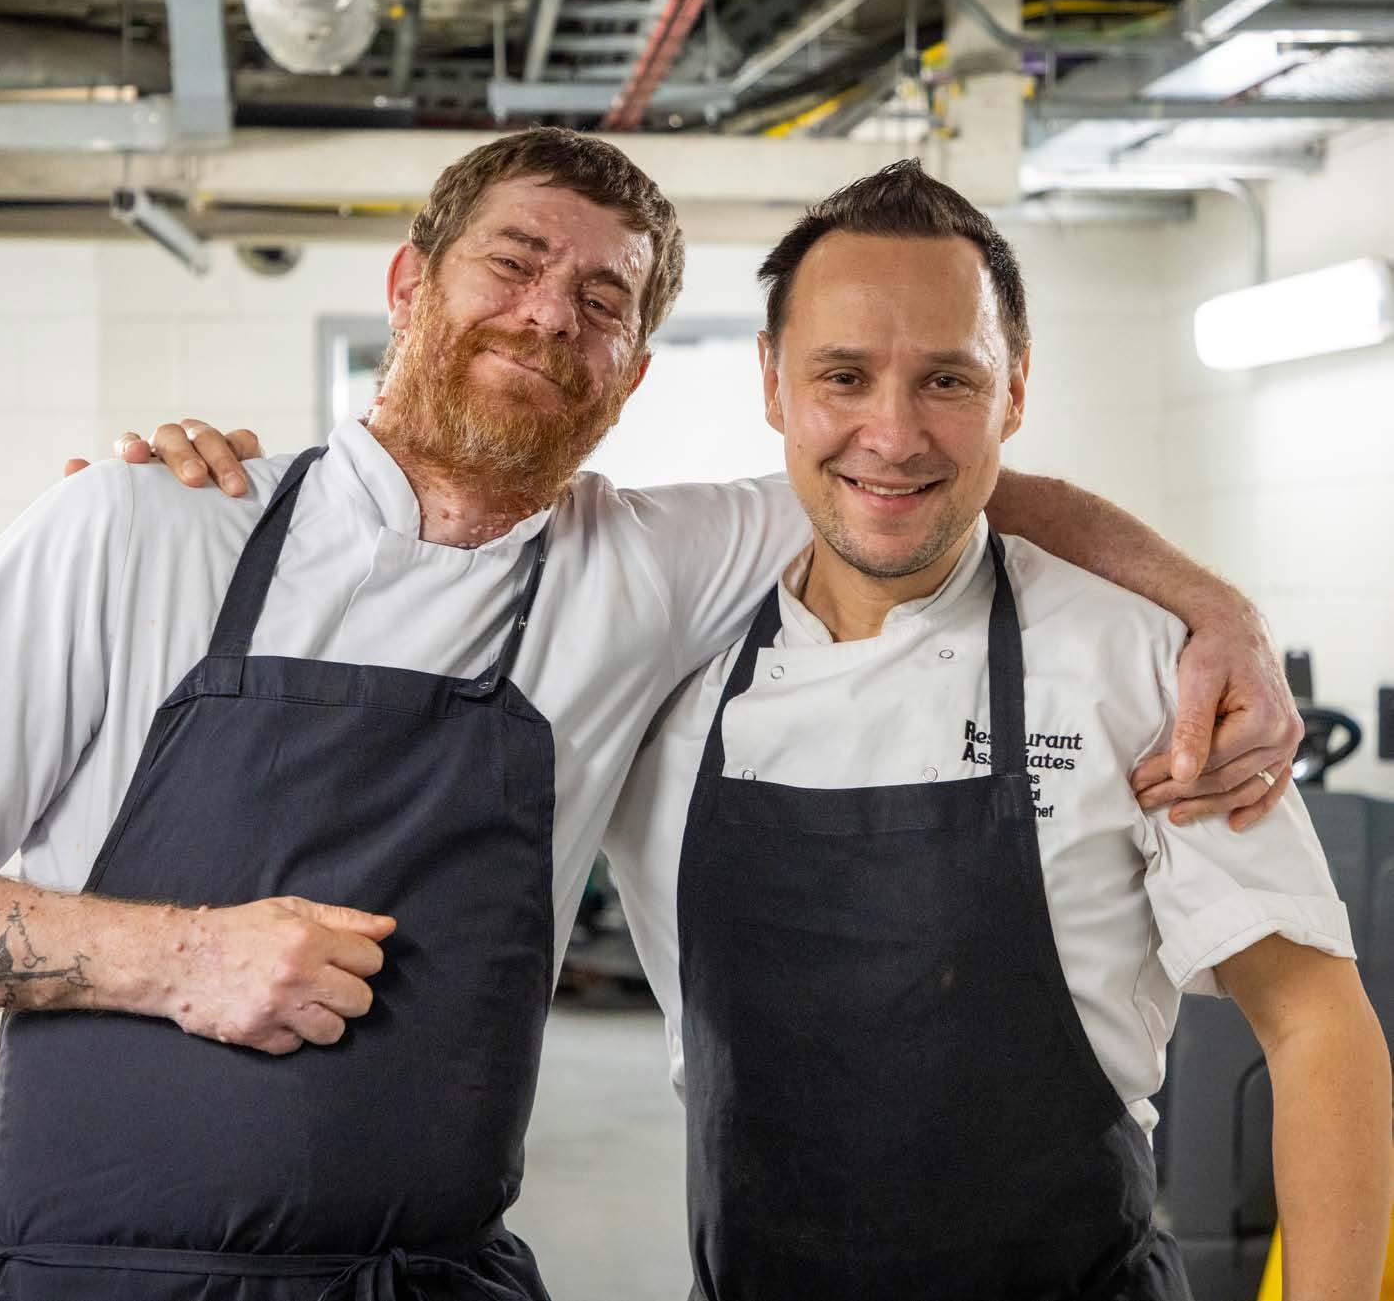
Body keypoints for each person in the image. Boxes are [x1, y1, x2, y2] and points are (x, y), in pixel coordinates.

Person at [0, 130, 1300, 1301]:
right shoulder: (143, 527)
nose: (550, 313)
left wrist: (1216, 610)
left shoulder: (641, 562)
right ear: (408, 284)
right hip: (106, 1277)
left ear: (633, 371)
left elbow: (921, 471)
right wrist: (176, 958)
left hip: (441, 1274)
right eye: (513, 261)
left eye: (604, 302)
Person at [595, 163, 1391, 1299]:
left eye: (946, 380)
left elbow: (1314, 1021)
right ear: (771, 382)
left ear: (1013, 391)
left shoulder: (1138, 663)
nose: (892, 432)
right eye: (842, 375)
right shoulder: (665, 663)